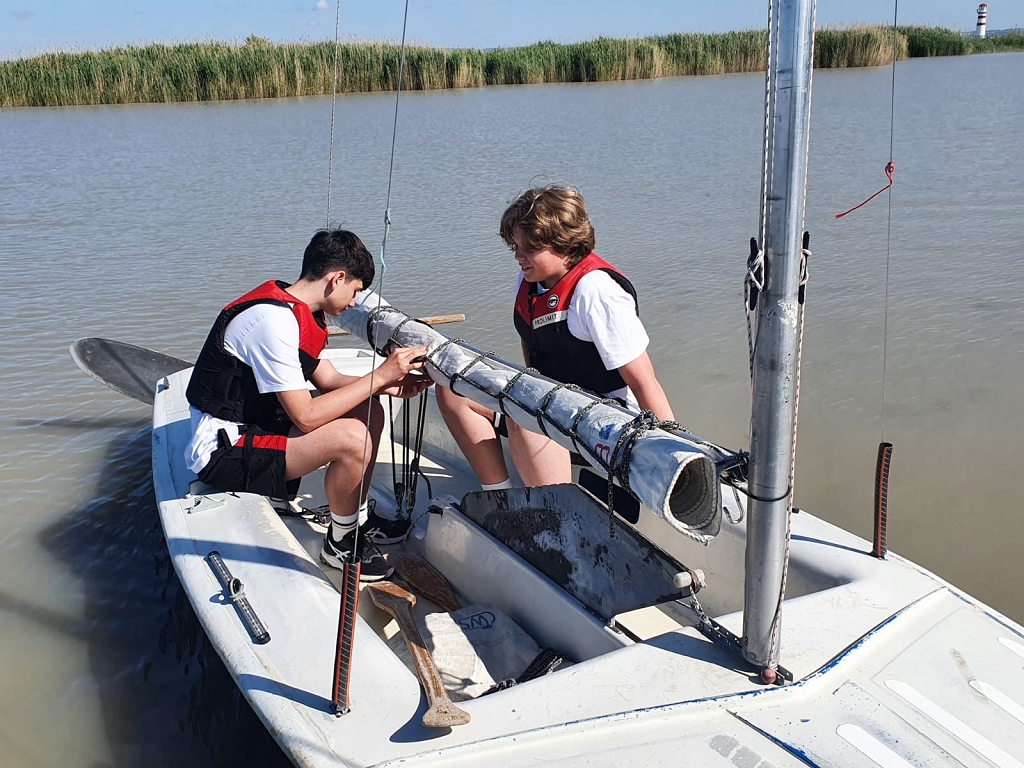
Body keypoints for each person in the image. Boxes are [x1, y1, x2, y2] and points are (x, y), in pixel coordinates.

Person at [184, 228, 432, 581]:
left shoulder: (292, 310)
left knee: (370, 409)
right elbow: (306, 416)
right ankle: (340, 545)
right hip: (222, 451)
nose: (354, 302)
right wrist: (378, 377)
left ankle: (357, 519)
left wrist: (390, 384)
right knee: (351, 438)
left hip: (259, 426)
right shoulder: (271, 321)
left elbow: (328, 378)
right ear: (337, 278)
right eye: (356, 291)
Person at [436, 184, 674, 489]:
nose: (518, 257)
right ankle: (499, 495)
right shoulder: (530, 280)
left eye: (530, 249)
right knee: (452, 387)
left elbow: (644, 382)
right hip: (554, 406)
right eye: (515, 247)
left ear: (565, 245)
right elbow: (532, 348)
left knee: (527, 417)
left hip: (609, 422)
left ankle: (555, 511)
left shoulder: (596, 292)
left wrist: (670, 450)